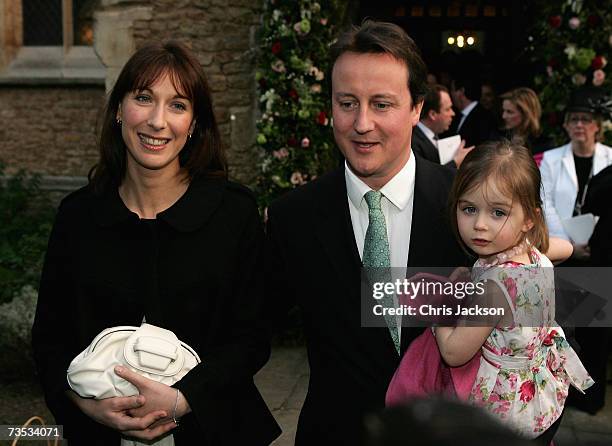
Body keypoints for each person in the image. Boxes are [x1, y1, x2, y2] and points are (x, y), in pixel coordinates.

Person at [32, 41, 280, 445]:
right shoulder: (78, 216)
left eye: (178, 105)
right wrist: (84, 403)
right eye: (143, 98)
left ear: (195, 122)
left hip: (212, 431)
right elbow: (49, 338)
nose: (157, 121)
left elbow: (252, 337)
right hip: (97, 434)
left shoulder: (233, 213)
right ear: (118, 109)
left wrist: (183, 398)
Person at [265, 21, 469, 445]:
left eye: (381, 104)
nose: (361, 123)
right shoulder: (294, 219)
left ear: (417, 108)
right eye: (347, 103)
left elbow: (546, 328)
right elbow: (244, 327)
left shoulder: (469, 209)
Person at [435, 141, 593, 443]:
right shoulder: (532, 252)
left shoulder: (493, 290)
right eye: (469, 208)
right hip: (541, 389)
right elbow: (567, 248)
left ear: (529, 218)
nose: (479, 225)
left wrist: (441, 309)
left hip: (504, 408)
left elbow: (454, 353)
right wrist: (531, 245)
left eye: (497, 212)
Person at [540, 86, 612, 261]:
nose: (579, 124)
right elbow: (546, 203)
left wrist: (595, 240)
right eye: (574, 120)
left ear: (596, 126)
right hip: (561, 245)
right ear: (566, 125)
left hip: (604, 245)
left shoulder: (611, 157)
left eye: (585, 120)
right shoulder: (551, 159)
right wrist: (568, 245)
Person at [412, 84, 473, 167]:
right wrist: (455, 162)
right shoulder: (413, 143)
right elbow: (427, 177)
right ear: (433, 114)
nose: (453, 113)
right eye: (447, 109)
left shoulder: (436, 134)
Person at [446, 74, 498, 148]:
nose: (451, 94)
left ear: (461, 91)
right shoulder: (457, 116)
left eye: (452, 90)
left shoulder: (484, 117)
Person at [499, 87, 552, 158]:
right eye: (504, 111)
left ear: (526, 114)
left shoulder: (543, 143)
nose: (504, 116)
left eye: (510, 112)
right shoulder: (499, 137)